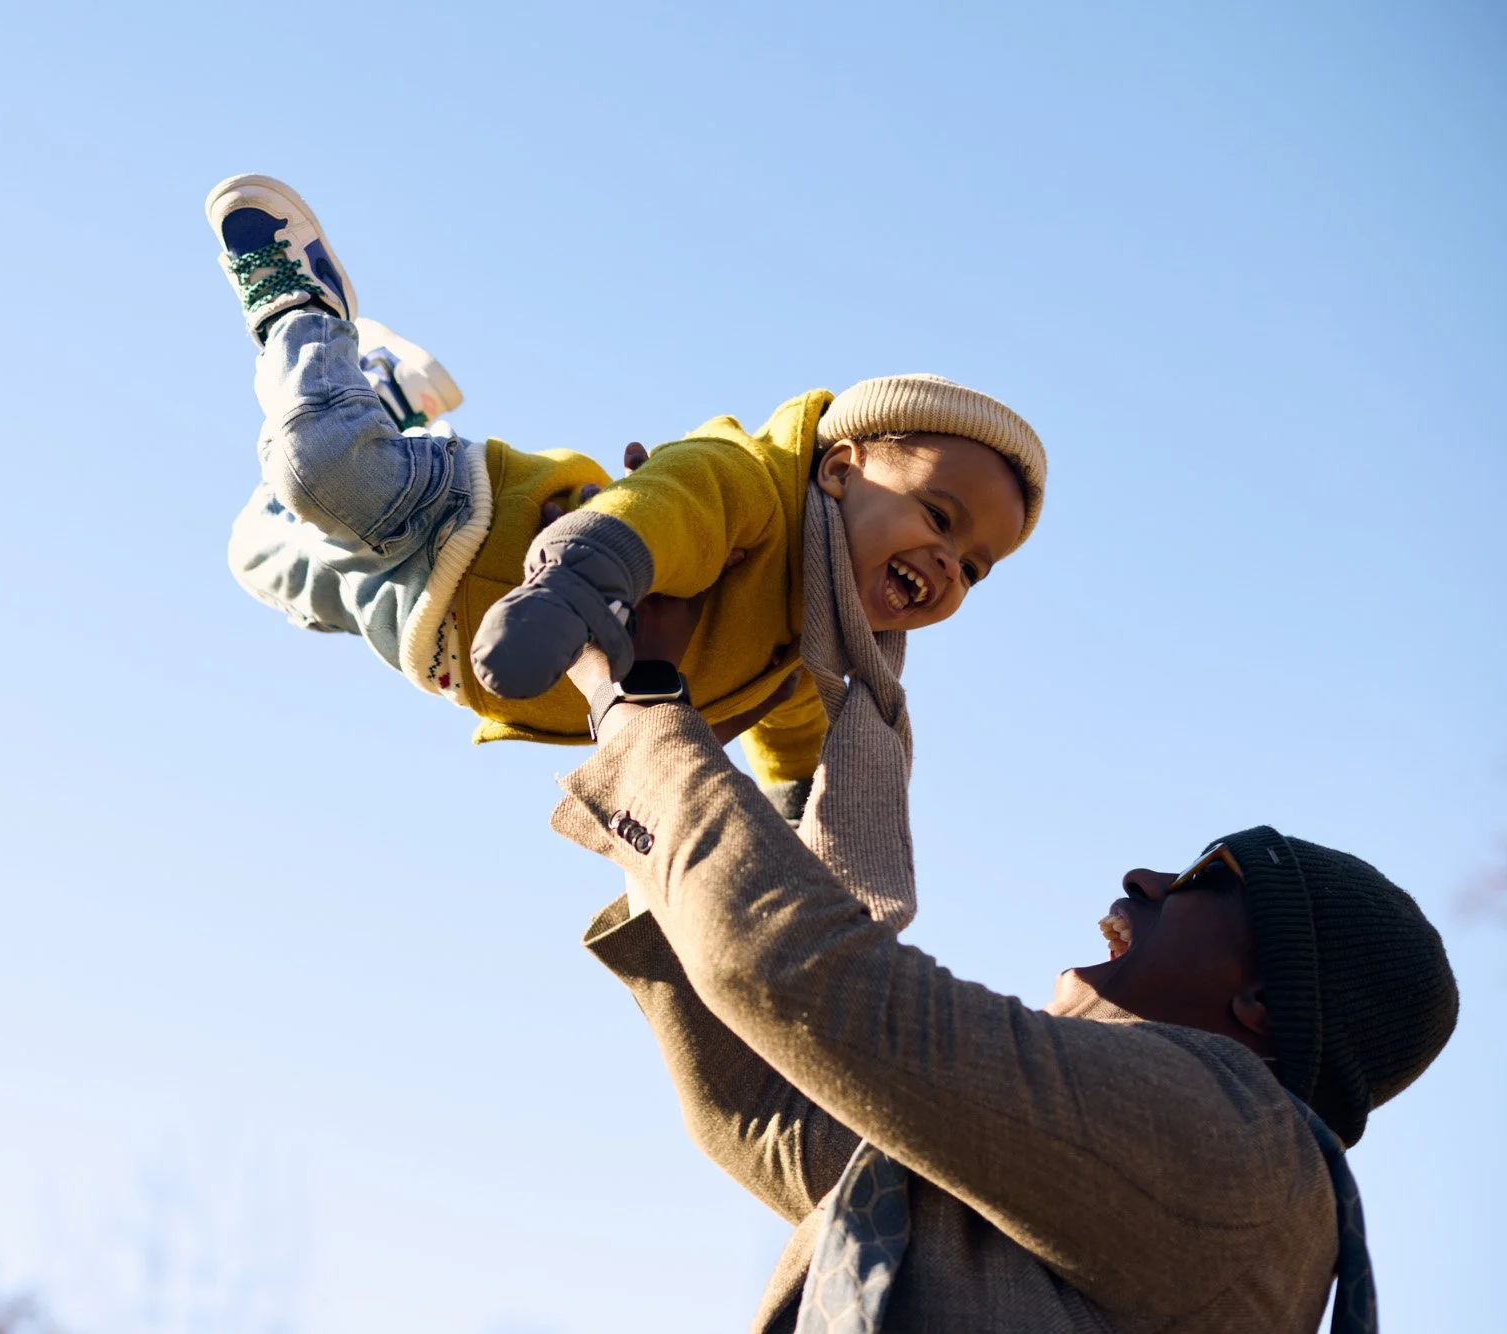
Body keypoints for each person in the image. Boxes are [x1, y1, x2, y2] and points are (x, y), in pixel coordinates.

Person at [547, 600, 1458, 1333]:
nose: (1144, 878)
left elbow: (815, 985)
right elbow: (779, 1113)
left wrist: (642, 716)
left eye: (1206, 878)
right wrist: (687, 749)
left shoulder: (1240, 1145)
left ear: (1264, 1001)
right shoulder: (1120, 1171)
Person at [204, 172, 1045, 814]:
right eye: (940, 516)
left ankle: (389, 394)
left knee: (252, 551)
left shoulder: (808, 657)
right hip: (474, 522)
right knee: (321, 472)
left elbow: (797, 754)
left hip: (433, 634)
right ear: (840, 469)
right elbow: (667, 508)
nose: (949, 562)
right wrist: (577, 581)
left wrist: (802, 826)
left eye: (976, 568)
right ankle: (303, 310)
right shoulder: (756, 488)